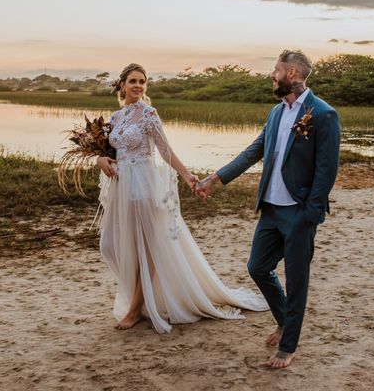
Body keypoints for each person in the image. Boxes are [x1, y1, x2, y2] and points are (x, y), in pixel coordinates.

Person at [195, 50, 341, 368]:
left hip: (299, 212)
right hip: (271, 210)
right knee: (258, 267)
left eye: (275, 71)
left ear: (291, 73)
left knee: (297, 280)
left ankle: (287, 348)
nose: (271, 76)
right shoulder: (276, 113)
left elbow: (327, 170)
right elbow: (253, 151)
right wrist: (214, 178)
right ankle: (284, 319)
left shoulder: (323, 114)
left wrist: (310, 214)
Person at [96, 63, 268, 333]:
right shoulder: (116, 117)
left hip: (143, 184)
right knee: (110, 244)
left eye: (143, 81)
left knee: (146, 247)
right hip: (121, 186)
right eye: (133, 81)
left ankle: (136, 308)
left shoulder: (149, 114)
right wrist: (99, 159)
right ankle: (139, 296)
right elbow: (110, 152)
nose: (139, 86)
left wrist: (188, 176)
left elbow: (165, 151)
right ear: (122, 85)